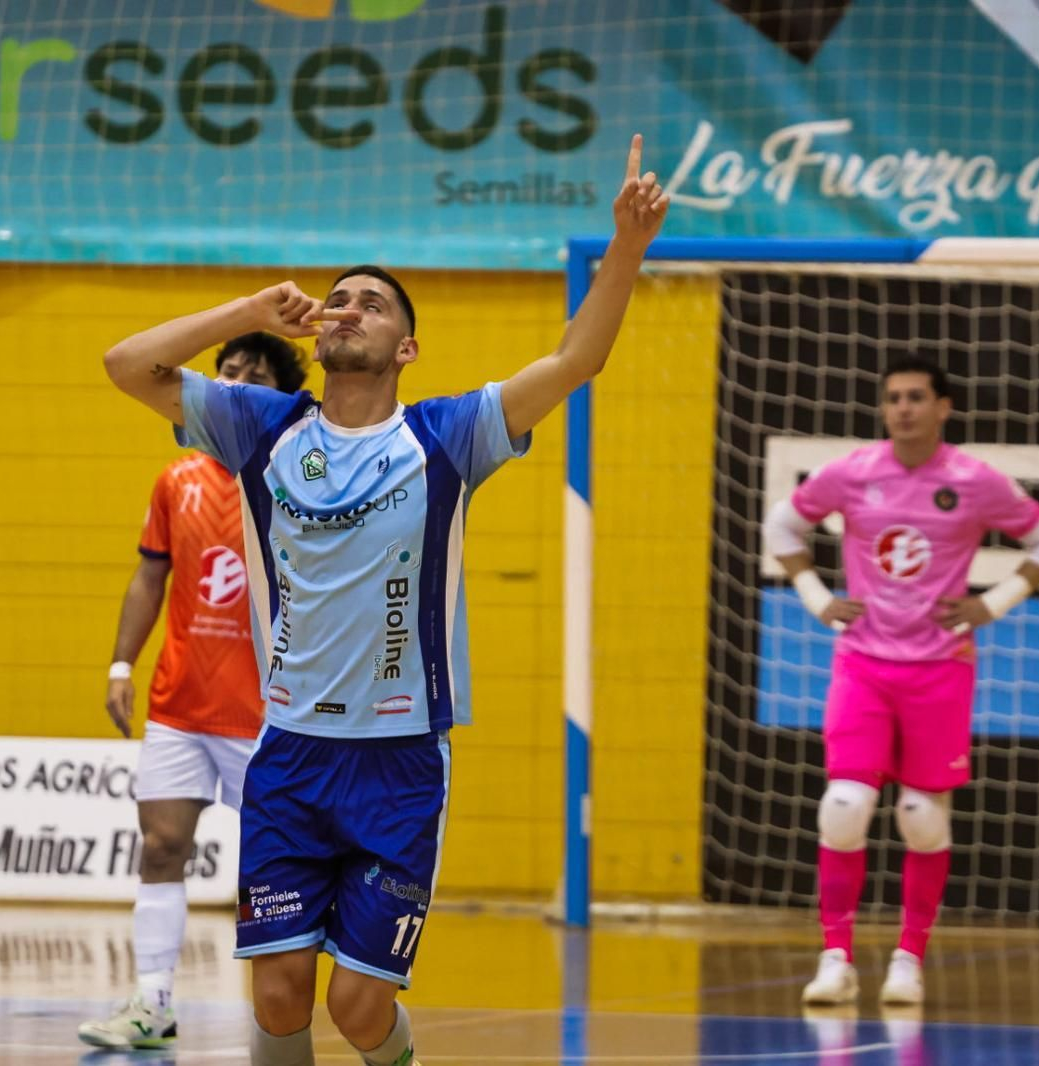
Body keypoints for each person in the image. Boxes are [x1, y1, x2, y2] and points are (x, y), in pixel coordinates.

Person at [101, 136, 668, 1066]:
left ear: (405, 346)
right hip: (285, 750)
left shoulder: (448, 434)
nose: (348, 307)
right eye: (340, 297)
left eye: (373, 303)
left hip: (400, 761)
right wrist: (252, 308)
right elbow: (129, 364)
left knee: (360, 1008)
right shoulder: (263, 427)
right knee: (280, 999)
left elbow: (576, 360)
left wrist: (629, 246)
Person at [764, 356, 1039, 1007]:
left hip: (939, 670)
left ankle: (908, 960)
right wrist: (817, 595)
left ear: (943, 407)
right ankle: (835, 959)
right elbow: (782, 523)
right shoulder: (853, 472)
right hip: (863, 666)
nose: (902, 407)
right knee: (844, 808)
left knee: (920, 817)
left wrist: (996, 602)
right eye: (893, 398)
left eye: (915, 397)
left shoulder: (974, 480)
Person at [79, 333, 308, 1050]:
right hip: (178, 706)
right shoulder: (176, 481)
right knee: (161, 846)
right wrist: (122, 665)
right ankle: (152, 1002)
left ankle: (279, 1018)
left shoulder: (295, 480)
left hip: (264, 713)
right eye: (227, 372)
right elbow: (151, 575)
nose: (235, 383)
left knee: (272, 866)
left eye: (254, 376)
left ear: (278, 395)